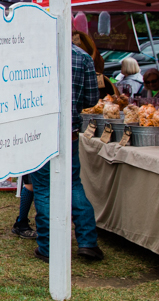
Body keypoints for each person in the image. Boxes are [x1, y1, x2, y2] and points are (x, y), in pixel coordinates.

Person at [31, 34, 104, 263]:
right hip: (68, 133)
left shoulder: (34, 54)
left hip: (40, 132)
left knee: (43, 189)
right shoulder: (83, 57)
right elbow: (92, 99)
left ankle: (49, 246)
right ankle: (87, 241)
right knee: (73, 184)